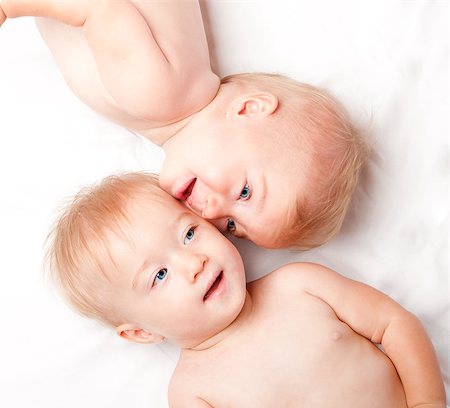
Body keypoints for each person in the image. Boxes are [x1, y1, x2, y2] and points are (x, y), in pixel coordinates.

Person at [46, 172, 449, 408]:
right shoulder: (194, 396)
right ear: (140, 332)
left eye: (189, 233)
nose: (194, 263)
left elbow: (395, 324)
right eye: (160, 275)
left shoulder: (302, 285)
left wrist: (428, 407)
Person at [0, 0, 370, 249]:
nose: (211, 212)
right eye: (244, 193)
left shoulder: (176, 94)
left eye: (231, 227)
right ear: (250, 109)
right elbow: (98, 8)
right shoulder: (158, 96)